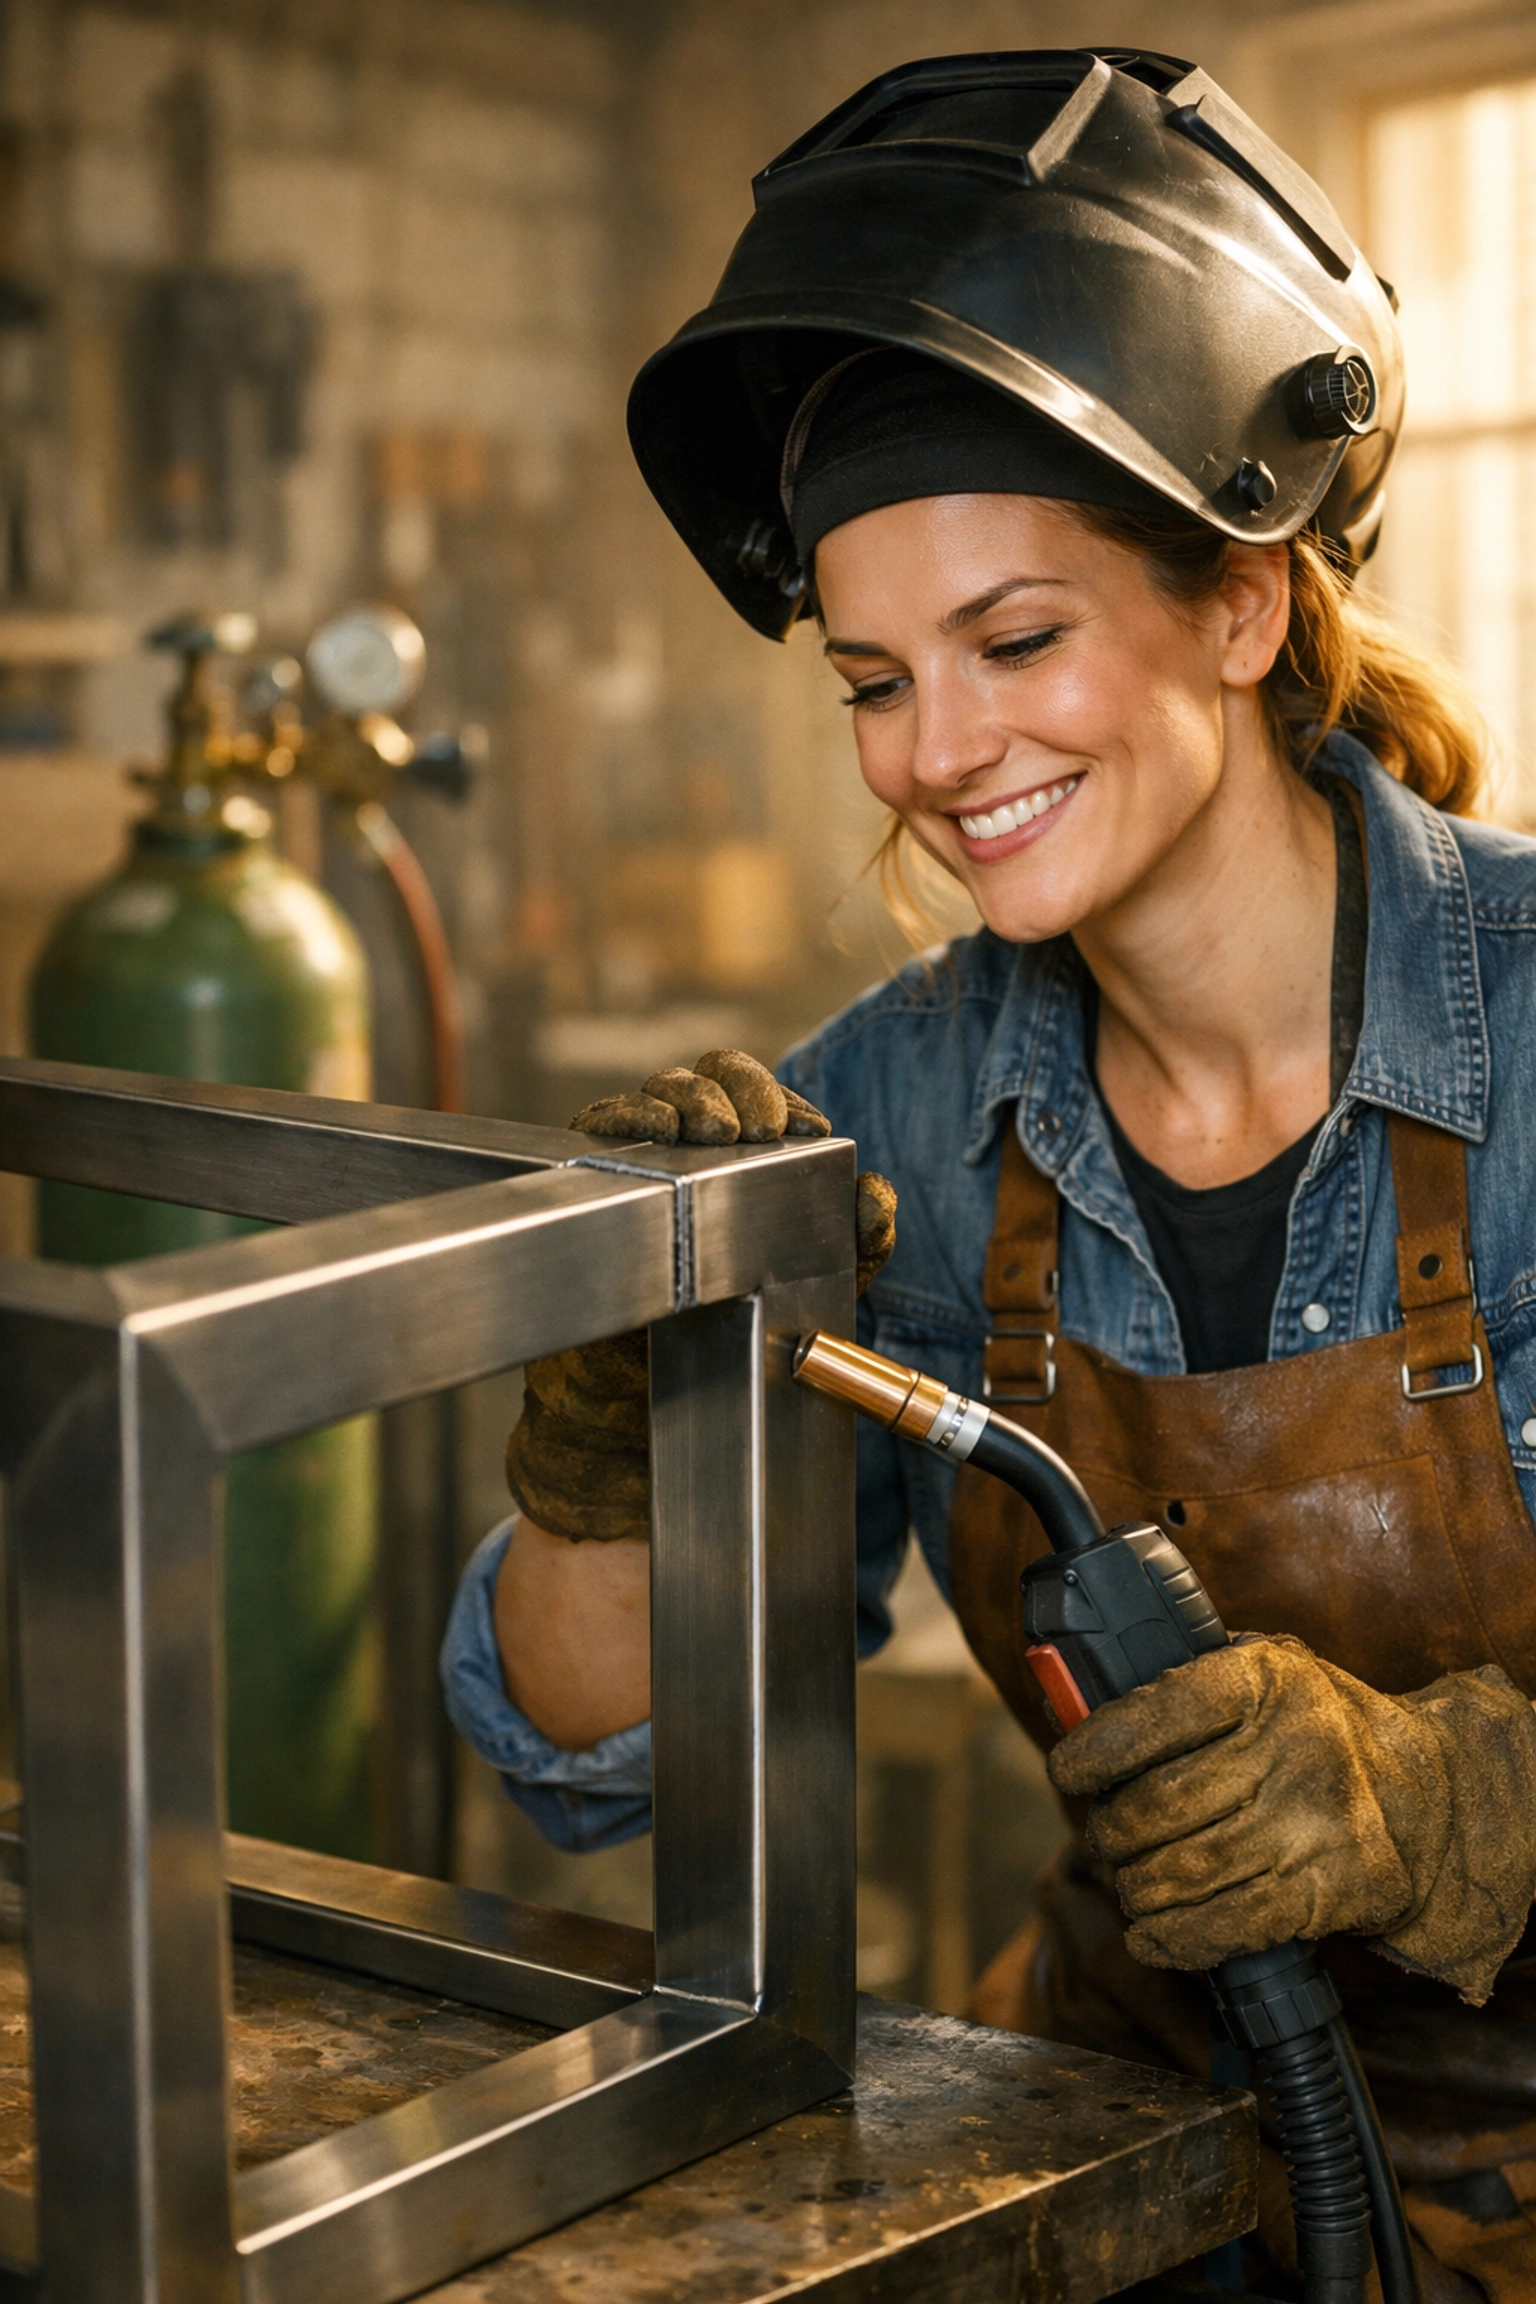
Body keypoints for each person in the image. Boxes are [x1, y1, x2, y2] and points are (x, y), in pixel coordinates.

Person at [443, 49, 1536, 2301]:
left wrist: (1459, 1808)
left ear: (1240, 610)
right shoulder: (894, 1119)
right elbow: (583, 1770)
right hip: (1142, 2164)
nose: (938, 757)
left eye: (1017, 642)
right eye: (871, 680)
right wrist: (611, 1455)